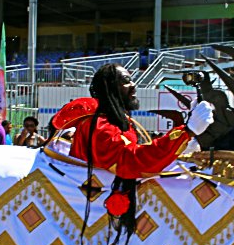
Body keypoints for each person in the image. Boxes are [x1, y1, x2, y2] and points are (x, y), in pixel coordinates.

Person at [62, 63, 214, 179]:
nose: (134, 86)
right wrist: (187, 131)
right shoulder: (100, 125)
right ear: (110, 88)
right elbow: (131, 162)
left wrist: (184, 143)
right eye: (126, 81)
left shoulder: (112, 120)